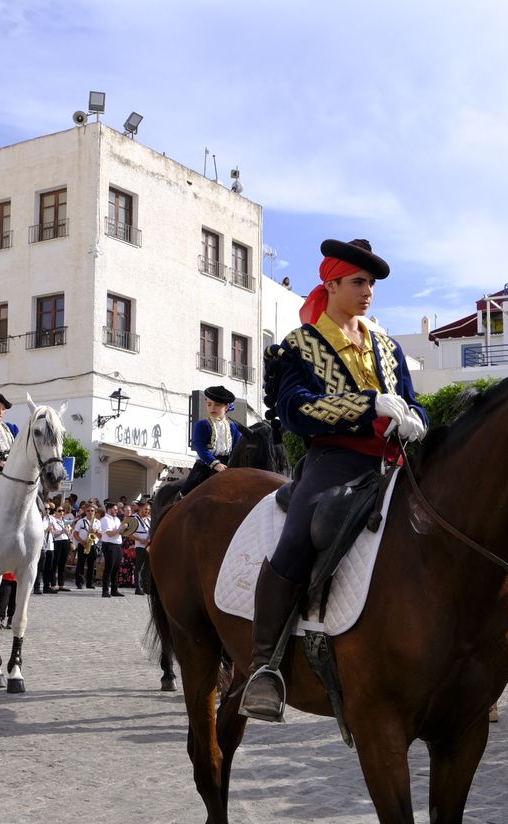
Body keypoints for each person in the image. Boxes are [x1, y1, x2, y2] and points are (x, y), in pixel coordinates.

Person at [241, 237, 426, 723]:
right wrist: (367, 407)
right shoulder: (298, 346)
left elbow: (410, 397)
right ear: (333, 283)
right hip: (335, 459)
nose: (368, 292)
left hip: (395, 460)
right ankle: (264, 667)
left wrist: (417, 418)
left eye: (371, 284)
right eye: (359, 282)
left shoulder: (387, 345)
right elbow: (293, 410)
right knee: (301, 533)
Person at [180, 385, 244, 498]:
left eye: (217, 405)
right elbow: (200, 447)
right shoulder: (202, 425)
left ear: (227, 406)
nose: (212, 408)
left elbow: (238, 447)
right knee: (187, 490)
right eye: (209, 404)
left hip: (228, 464)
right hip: (206, 463)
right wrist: (215, 464)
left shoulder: (233, 426)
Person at [98, 501, 124, 597]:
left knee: (116, 568)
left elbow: (118, 532)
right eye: (115, 509)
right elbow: (109, 533)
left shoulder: (117, 519)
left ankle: (114, 589)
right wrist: (120, 530)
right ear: (109, 509)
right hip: (109, 545)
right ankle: (105, 591)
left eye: (117, 509)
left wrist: (124, 529)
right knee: (109, 567)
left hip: (117, 545)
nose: (117, 510)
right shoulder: (105, 519)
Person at [130, 500, 153, 595]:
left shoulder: (149, 519)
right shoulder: (134, 519)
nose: (147, 511)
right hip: (140, 546)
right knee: (139, 568)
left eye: (148, 510)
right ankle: (138, 588)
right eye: (145, 509)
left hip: (148, 546)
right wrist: (140, 539)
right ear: (140, 508)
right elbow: (129, 533)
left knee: (147, 567)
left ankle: (146, 587)